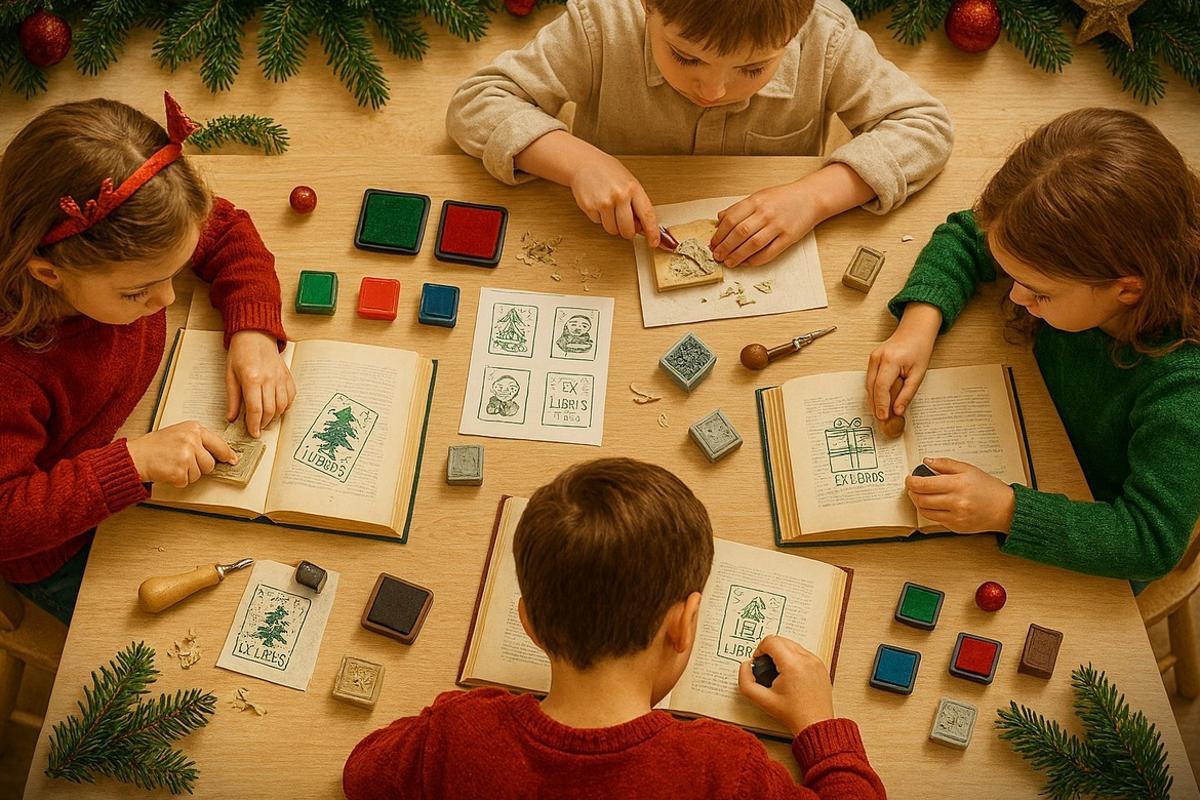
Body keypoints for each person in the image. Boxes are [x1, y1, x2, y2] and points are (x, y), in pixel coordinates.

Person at [344, 458, 886, 799]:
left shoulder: (459, 733)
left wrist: (458, 715)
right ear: (685, 624)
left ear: (528, 621)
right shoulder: (724, 770)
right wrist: (820, 728)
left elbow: (363, 774)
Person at [868, 108, 1200, 585]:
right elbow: (967, 234)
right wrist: (919, 323)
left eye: (1038, 293)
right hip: (1032, 425)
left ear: (1127, 290)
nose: (1015, 297)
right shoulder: (1070, 253)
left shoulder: (1183, 392)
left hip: (1083, 524)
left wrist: (1007, 510)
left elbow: (1148, 541)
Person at [0, 94, 295, 623]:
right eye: (138, 293)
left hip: (132, 436)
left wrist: (251, 327)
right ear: (48, 274)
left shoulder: (141, 231)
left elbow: (225, 229)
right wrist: (129, 463)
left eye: (174, 272)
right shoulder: (12, 373)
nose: (167, 301)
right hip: (56, 545)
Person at [447, 0, 951, 268]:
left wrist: (815, 197)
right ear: (647, 5)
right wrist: (577, 161)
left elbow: (924, 128)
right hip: (604, 258)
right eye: (687, 58)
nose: (713, 89)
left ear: (795, 32)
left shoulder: (827, 35)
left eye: (753, 68)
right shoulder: (602, 23)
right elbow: (477, 103)